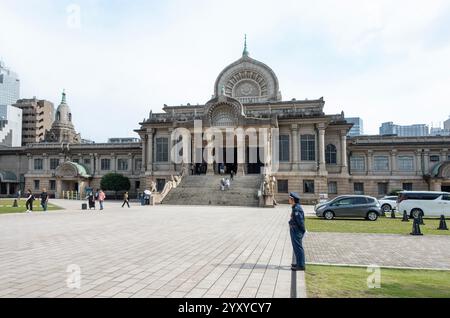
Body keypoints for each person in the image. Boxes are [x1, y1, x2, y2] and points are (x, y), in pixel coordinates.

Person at [288, 192, 306, 271]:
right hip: (294, 229)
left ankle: (301, 265)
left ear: (293, 200)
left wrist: (303, 230)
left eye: (290, 198)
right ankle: (298, 263)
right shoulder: (294, 207)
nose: (289, 200)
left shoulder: (297, 209)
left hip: (296, 230)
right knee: (296, 247)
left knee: (298, 247)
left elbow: (300, 221)